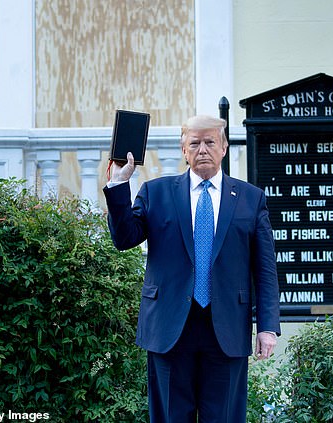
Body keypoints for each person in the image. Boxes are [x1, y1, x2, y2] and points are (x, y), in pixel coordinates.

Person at [103, 115, 281, 422]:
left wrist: (267, 326)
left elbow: (265, 270)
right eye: (194, 143)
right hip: (170, 328)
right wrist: (120, 184)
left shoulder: (251, 199)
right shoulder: (156, 193)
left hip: (226, 329)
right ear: (183, 150)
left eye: (210, 142)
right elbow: (124, 239)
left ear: (224, 147)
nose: (203, 149)